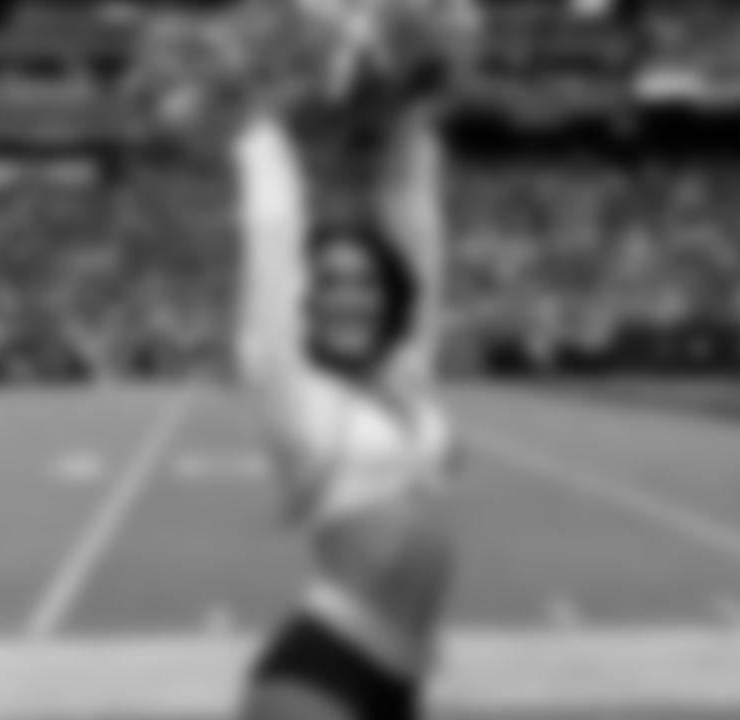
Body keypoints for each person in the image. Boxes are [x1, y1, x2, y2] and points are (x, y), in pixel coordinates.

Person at [230, 64, 458, 720]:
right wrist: (259, 126)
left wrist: (413, 116)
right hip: (321, 674)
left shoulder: (404, 375)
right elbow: (273, 243)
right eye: (328, 284)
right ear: (306, 303)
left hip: (400, 680)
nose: (348, 298)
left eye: (364, 283)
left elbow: (420, 235)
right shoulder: (294, 396)